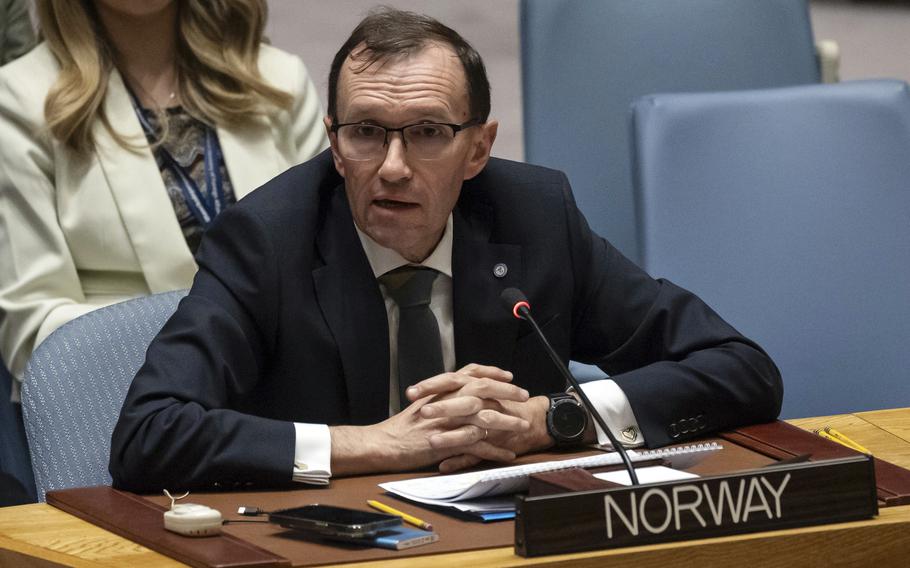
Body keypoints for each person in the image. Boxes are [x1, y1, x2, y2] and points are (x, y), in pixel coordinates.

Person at [110, 8, 782, 491]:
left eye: (428, 132)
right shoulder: (267, 240)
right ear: (334, 143)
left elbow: (741, 369)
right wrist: (378, 443)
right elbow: (149, 434)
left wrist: (553, 419)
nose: (393, 166)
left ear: (478, 149)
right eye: (367, 132)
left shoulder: (536, 219)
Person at [0, 0, 327, 390]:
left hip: (289, 399)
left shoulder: (278, 79)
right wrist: (211, 348)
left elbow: (335, 271)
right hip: (121, 413)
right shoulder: (18, 99)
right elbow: (34, 328)